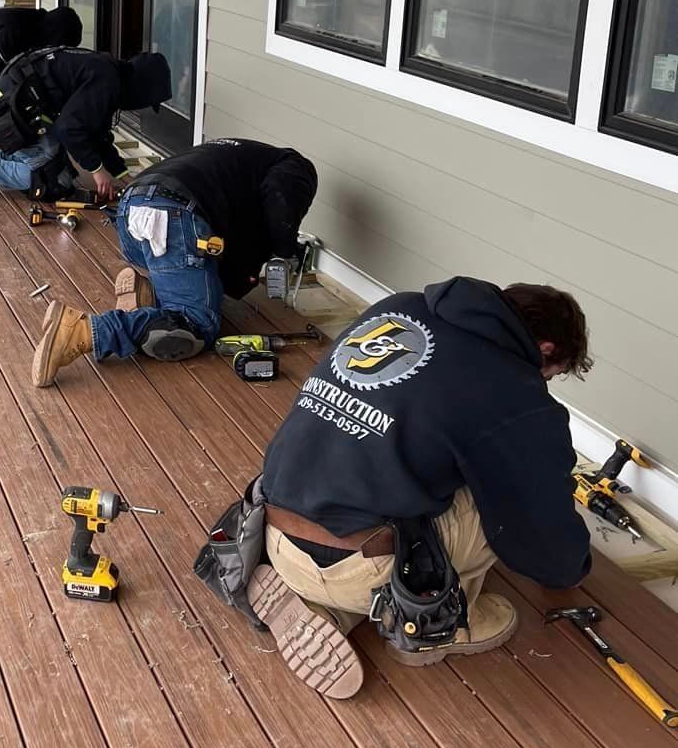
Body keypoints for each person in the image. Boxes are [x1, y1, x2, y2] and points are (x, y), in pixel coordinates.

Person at [247, 279, 593, 700]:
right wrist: (569, 568)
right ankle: (436, 624)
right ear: (545, 350)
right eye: (550, 374)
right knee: (503, 494)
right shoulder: (515, 389)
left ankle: (325, 603)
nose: (542, 382)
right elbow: (539, 527)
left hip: (273, 530)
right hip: (362, 567)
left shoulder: (398, 306)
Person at [31, 137, 318, 388]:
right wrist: (286, 250)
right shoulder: (296, 167)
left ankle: (151, 295)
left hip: (132, 210)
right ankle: (84, 330)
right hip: (171, 219)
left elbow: (239, 239)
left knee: (205, 282)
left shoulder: (241, 156)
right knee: (197, 325)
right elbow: (281, 203)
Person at [0, 47, 171, 204]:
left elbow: (97, 132)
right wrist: (98, 171)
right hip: (9, 113)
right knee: (54, 182)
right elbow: (70, 128)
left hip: (16, 108)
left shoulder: (106, 70)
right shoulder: (107, 81)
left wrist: (120, 174)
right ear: (142, 88)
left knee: (58, 166)